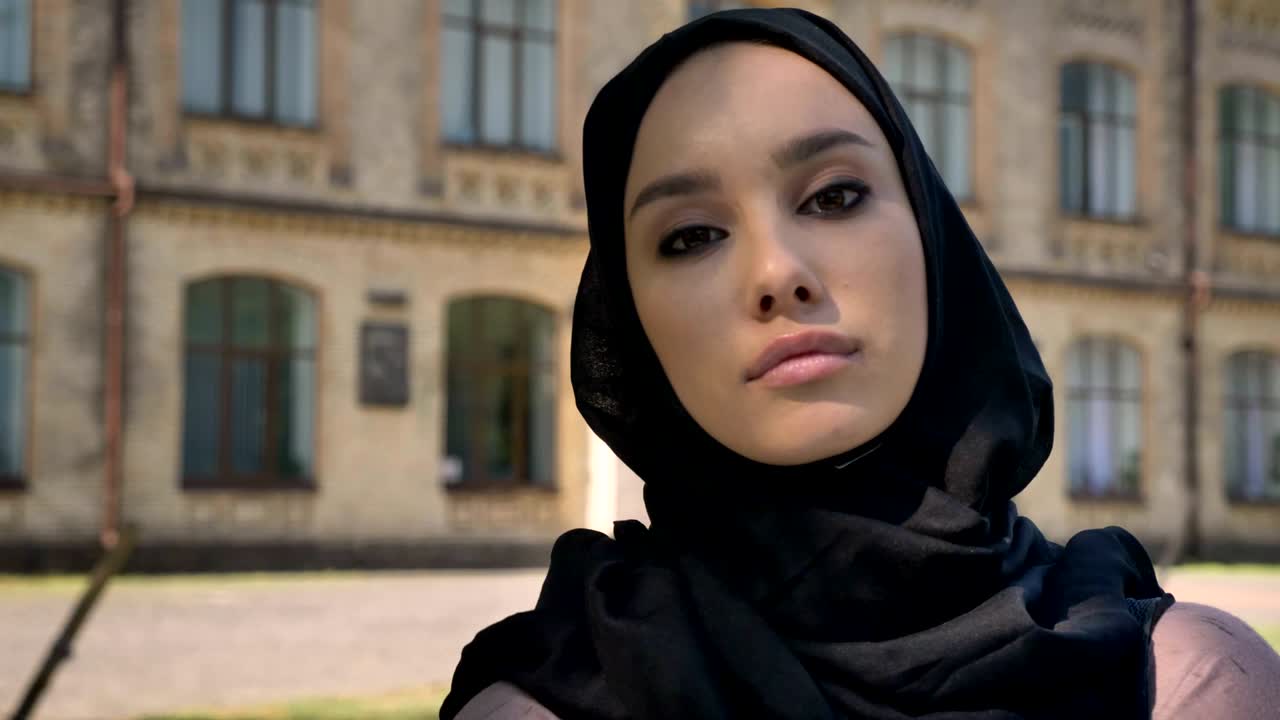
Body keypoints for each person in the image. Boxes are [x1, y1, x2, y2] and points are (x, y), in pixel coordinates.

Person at [442, 8, 1280, 719]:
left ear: (930, 234)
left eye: (834, 195)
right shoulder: (541, 706)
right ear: (631, 322)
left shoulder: (1186, 684)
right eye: (690, 235)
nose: (776, 274)